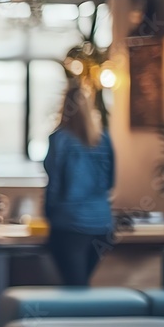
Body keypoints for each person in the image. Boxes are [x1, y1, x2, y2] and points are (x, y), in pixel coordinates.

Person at [44, 84, 115, 286]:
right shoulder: (104, 139)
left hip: (70, 226)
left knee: (74, 288)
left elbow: (54, 186)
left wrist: (49, 217)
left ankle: (76, 317)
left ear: (64, 107)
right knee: (80, 286)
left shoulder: (60, 139)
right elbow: (111, 182)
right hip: (102, 226)